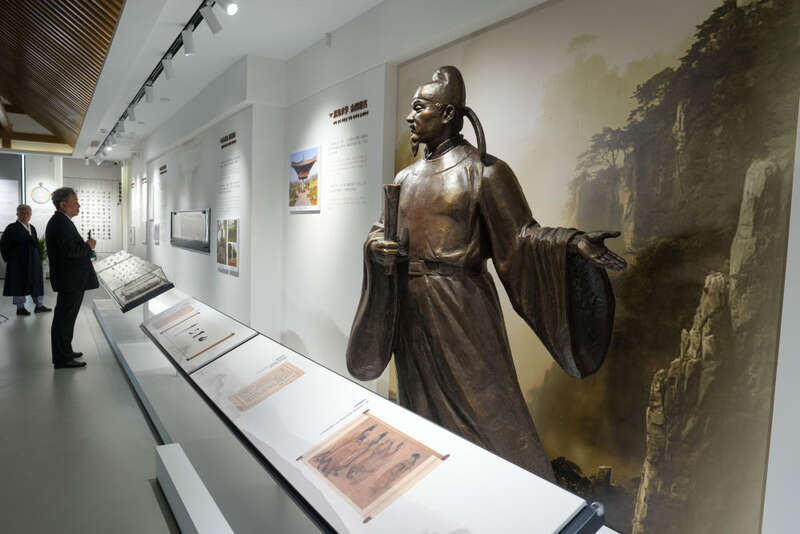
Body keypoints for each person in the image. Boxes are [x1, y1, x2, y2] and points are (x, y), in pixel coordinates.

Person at [346, 66, 626, 481]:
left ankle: (521, 493)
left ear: (448, 114)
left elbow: (522, 237)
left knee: (488, 409)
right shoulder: (404, 179)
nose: (410, 116)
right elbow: (379, 231)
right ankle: (442, 488)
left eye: (419, 107)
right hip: (411, 312)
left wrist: (570, 244)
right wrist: (375, 248)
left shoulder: (485, 172)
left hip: (461, 311)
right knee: (421, 410)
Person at [46, 187, 98, 369]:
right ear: (63, 204)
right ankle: (62, 358)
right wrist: (88, 245)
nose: (78, 206)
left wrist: (84, 246)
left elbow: (69, 249)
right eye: (75, 203)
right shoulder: (60, 223)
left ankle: (66, 351)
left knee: (67, 318)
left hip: (70, 279)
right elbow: (70, 252)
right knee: (64, 319)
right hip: (70, 280)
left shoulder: (62, 221)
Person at [1, 204, 50, 315]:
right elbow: (4, 245)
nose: (25, 215)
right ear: (17, 214)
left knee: (36, 282)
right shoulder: (11, 228)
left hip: (34, 261)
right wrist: (11, 260)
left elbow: (36, 243)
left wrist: (39, 257)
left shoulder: (32, 227)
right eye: (22, 213)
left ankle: (39, 305)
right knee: (18, 283)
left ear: (31, 214)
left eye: (28, 213)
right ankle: (20, 308)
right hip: (18, 263)